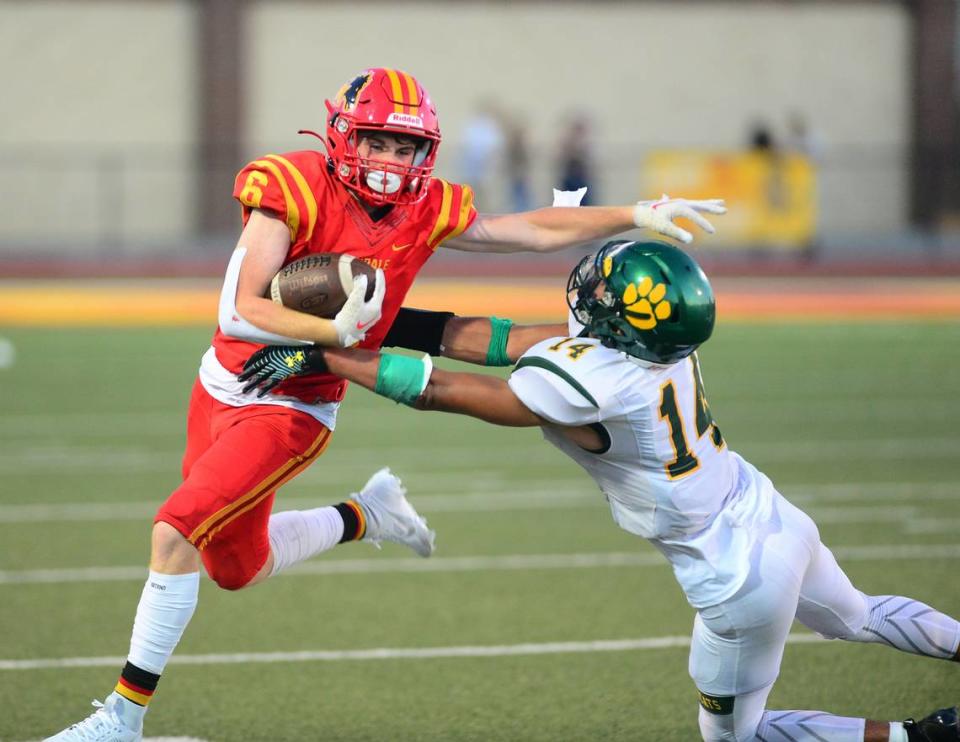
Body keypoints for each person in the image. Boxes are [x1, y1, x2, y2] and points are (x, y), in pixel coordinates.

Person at [47, 66, 726, 741]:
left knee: (175, 531)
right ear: (344, 135)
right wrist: (331, 327)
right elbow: (239, 308)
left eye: (405, 148)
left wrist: (637, 213)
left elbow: (524, 230)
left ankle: (120, 720)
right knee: (234, 567)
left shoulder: (423, 209)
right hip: (224, 379)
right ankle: (367, 514)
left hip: (295, 406)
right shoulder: (292, 184)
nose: (390, 161)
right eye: (377, 142)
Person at [242, 239, 960, 742]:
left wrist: (328, 353)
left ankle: (914, 737)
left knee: (738, 736)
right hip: (769, 512)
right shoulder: (655, 344)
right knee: (859, 615)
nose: (593, 291)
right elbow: (496, 338)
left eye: (607, 290)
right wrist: (378, 321)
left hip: (735, 577)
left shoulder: (594, 379)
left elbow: (448, 392)